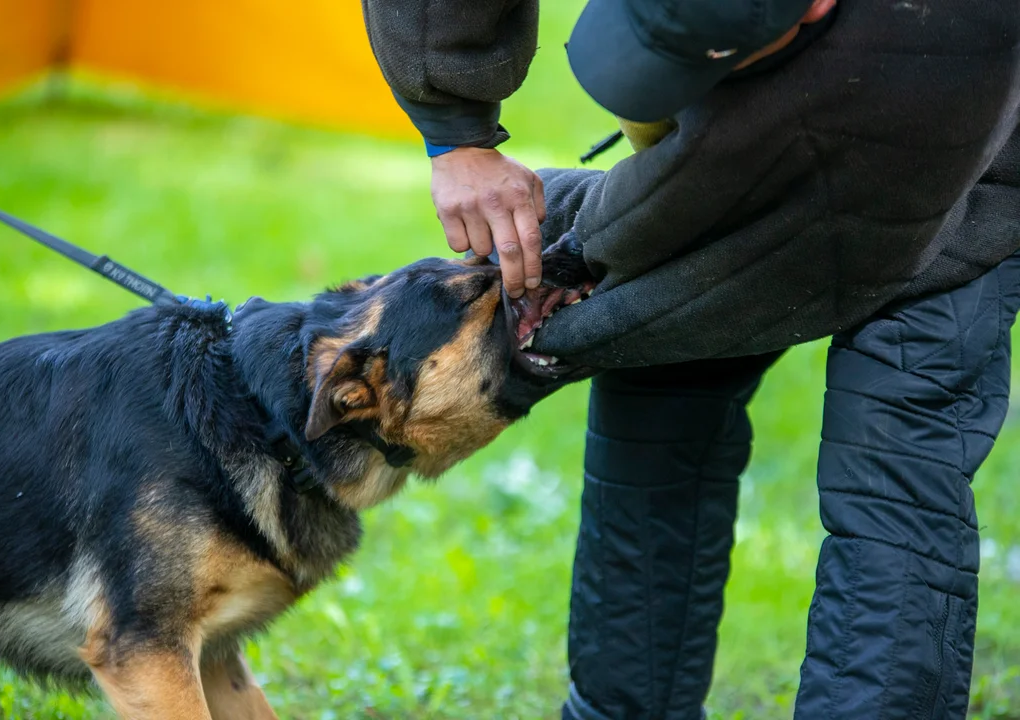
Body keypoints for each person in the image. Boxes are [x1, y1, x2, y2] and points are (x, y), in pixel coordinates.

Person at [361, 0, 1020, 718]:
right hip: (767, 102)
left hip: (969, 150)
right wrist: (455, 131)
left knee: (895, 445)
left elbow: (761, 196)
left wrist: (599, 256)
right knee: (660, 381)